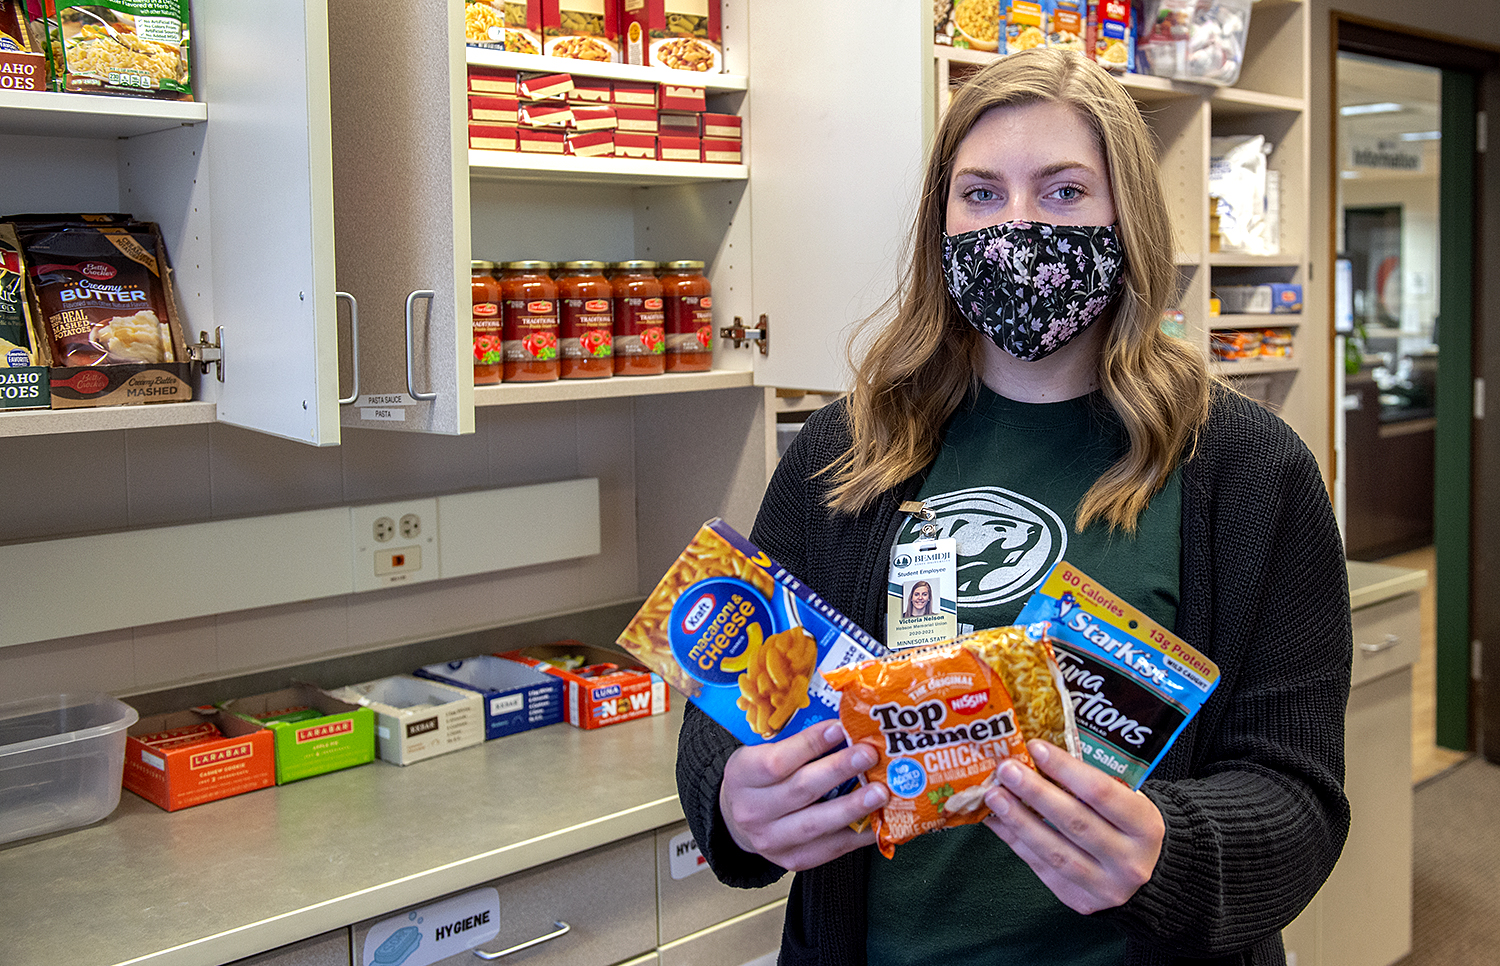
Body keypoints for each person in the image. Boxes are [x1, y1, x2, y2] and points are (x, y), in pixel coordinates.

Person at [675, 46, 1352, 966]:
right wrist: (734, 802)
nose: (1017, 227)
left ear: (1127, 219)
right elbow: (732, 713)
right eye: (981, 194)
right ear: (939, 223)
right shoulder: (842, 455)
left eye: (1065, 192)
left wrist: (1172, 850)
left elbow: (1299, 794)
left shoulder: (1249, 468)